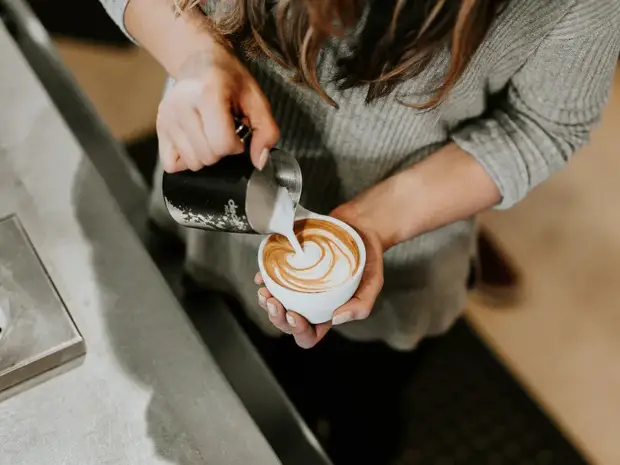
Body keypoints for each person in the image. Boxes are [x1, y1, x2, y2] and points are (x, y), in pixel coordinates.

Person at [100, 0, 620, 350]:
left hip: (403, 269)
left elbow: (544, 124)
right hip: (212, 216)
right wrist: (192, 53)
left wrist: (379, 221)